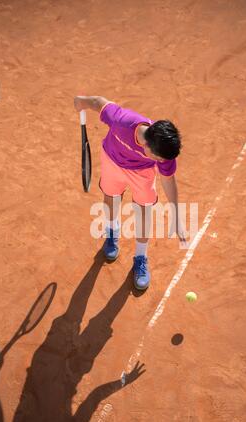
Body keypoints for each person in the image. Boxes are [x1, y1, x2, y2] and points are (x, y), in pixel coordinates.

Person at [74, 96, 186, 290]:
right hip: (112, 160)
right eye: (158, 158)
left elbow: (167, 179)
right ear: (146, 145)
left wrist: (175, 212)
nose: (161, 162)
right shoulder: (122, 121)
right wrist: (82, 101)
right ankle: (112, 232)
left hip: (142, 172)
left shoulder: (164, 152)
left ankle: (141, 258)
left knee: (143, 210)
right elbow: (99, 103)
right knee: (111, 198)